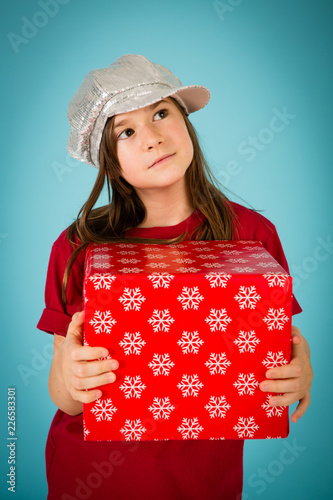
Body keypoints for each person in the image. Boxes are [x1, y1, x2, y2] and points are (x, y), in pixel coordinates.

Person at [37, 54, 313, 500]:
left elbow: (278, 346)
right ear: (108, 162)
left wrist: (300, 371)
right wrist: (71, 378)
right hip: (92, 479)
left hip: (204, 483)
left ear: (186, 122)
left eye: (161, 113)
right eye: (126, 131)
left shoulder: (253, 235)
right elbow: (66, 396)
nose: (152, 138)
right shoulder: (76, 247)